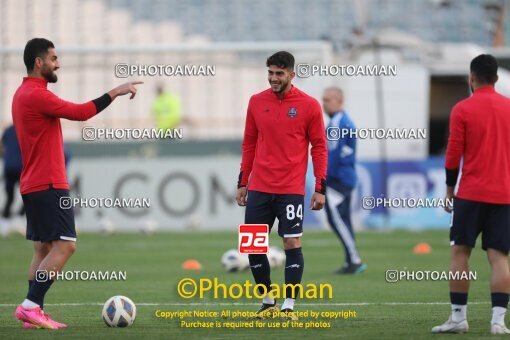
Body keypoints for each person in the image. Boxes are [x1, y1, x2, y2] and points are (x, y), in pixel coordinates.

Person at [12, 38, 142, 329]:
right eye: (54, 58)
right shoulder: (36, 95)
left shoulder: (22, 93)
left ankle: (32, 315)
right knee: (66, 245)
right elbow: (82, 112)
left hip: (33, 183)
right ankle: (31, 306)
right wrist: (116, 92)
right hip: (48, 183)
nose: (58, 63)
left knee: (43, 249)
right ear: (38, 62)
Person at [236, 51, 327, 319]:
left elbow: (319, 147)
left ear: (291, 74)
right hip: (260, 187)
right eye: (270, 73)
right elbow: (249, 143)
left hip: (290, 188)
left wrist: (320, 187)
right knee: (253, 245)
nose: (273, 78)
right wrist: (243, 181)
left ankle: (289, 304)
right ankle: (268, 300)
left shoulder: (309, 105)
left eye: (279, 73)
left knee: (291, 241)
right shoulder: (256, 102)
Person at [432, 54, 510, 335]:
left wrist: (450, 188)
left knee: (460, 253)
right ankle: (498, 322)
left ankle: (458, 318)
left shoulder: (462, 109)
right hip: (504, 194)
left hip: (471, 193)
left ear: (471, 78)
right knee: (499, 257)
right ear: (497, 79)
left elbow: (453, 153)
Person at [322, 87, 366, 274]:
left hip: (337, 180)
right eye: (323, 100)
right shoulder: (344, 121)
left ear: (339, 101)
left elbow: (333, 155)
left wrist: (323, 178)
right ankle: (351, 260)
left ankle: (354, 260)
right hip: (345, 178)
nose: (324, 104)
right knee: (343, 220)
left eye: (327, 100)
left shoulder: (336, 123)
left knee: (337, 220)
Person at [1, 125, 24, 219]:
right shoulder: (23, 129)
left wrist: (6, 156)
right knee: (26, 193)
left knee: (10, 195)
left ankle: (6, 213)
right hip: (20, 167)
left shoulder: (8, 130)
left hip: (9, 166)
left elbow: (1, 145)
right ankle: (22, 213)